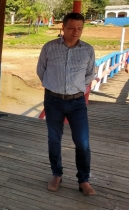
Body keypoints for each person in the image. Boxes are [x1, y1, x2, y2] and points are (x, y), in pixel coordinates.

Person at [37, 12, 96, 196]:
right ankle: (56, 174)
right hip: (53, 100)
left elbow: (89, 74)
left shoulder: (88, 50)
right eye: (71, 28)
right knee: (54, 140)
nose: (75, 32)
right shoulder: (49, 47)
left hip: (77, 102)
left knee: (82, 142)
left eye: (79, 28)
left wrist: (76, 88)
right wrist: (54, 87)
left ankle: (83, 180)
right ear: (62, 27)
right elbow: (41, 71)